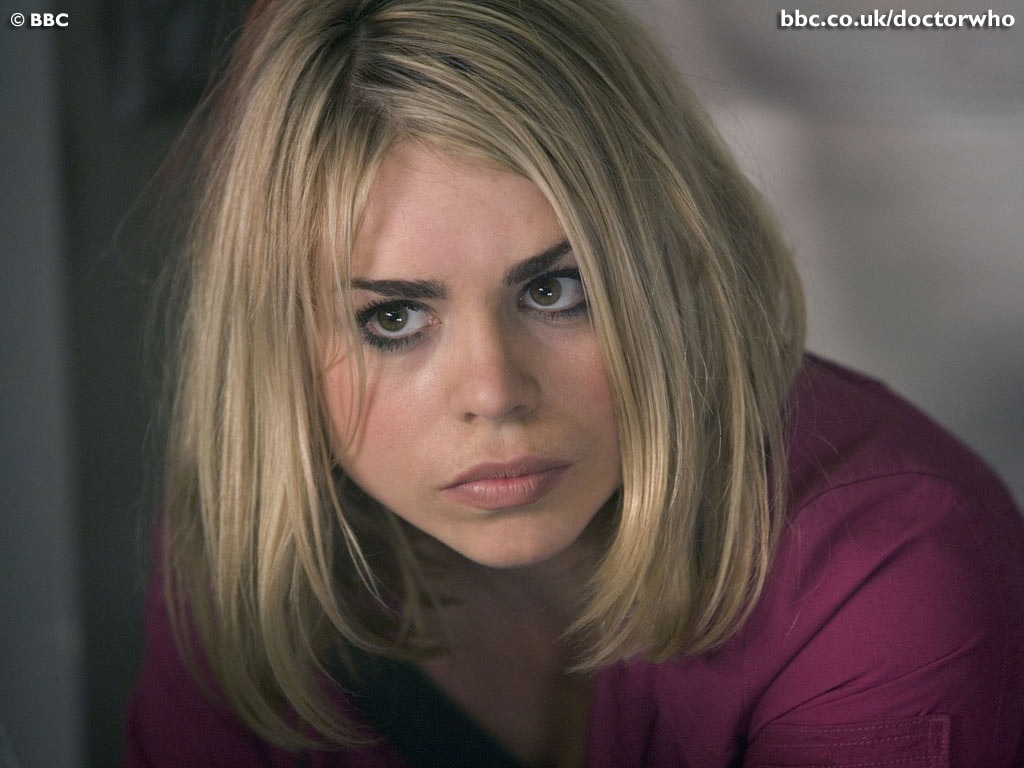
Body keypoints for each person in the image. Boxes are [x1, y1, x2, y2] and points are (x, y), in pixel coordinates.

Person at [123, 0, 1024, 765]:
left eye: (556, 289)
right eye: (392, 318)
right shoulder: (256, 545)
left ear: (676, 266)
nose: (494, 393)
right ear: (275, 344)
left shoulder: (885, 566)